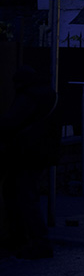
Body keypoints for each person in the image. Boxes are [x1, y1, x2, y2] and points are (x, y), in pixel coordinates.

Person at [1, 65, 60, 259]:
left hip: (25, 153)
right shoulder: (49, 94)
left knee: (23, 196)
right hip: (41, 152)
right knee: (22, 194)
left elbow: (11, 122)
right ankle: (26, 238)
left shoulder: (28, 96)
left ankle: (35, 241)